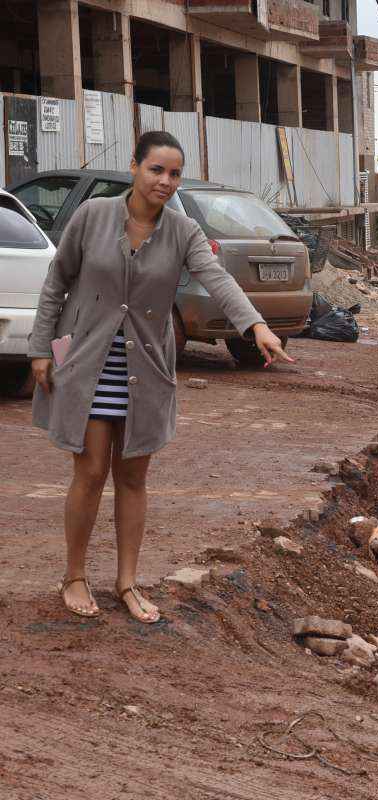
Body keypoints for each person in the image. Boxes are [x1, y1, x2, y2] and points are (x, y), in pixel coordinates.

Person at [26, 130, 295, 622]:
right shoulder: (92, 216)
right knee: (89, 473)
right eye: (156, 170)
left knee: (132, 477)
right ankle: (74, 576)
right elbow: (56, 282)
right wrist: (41, 347)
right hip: (85, 364)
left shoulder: (183, 231)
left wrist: (254, 324)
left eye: (174, 173)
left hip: (144, 371)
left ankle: (127, 583)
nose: (166, 181)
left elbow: (217, 279)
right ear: (134, 167)